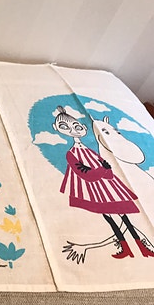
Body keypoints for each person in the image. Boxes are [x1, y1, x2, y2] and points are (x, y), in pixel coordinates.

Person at [53, 106, 154, 259]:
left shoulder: (89, 151)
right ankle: (126, 248)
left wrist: (104, 171)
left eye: (76, 126)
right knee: (111, 218)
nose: (72, 130)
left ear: (83, 127)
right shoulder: (71, 154)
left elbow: (106, 166)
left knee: (124, 217)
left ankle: (141, 247)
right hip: (94, 190)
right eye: (64, 127)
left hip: (106, 187)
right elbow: (82, 172)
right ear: (56, 128)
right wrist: (101, 171)